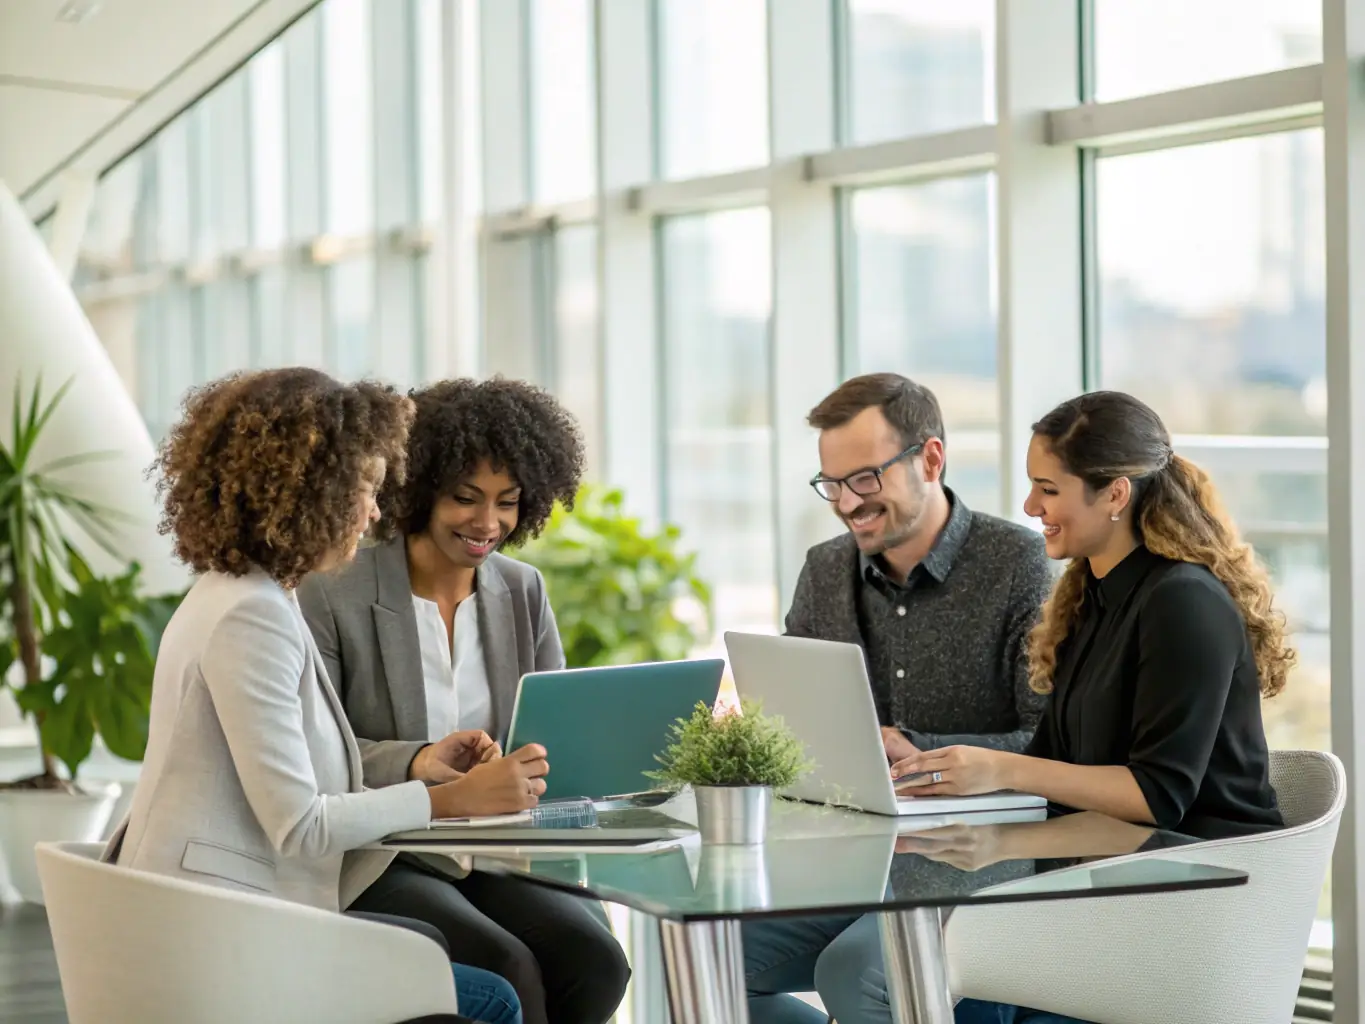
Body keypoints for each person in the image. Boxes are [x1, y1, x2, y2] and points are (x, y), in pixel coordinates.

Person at [107, 368, 552, 1024]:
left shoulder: (243, 592)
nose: (375, 512)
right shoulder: (252, 617)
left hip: (222, 911)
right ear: (308, 494)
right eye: (364, 490)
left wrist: (426, 769)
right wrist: (446, 799)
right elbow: (301, 827)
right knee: (493, 997)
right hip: (220, 933)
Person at [893, 390, 1290, 1024]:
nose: (1031, 507)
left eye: (1048, 489)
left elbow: (1156, 798)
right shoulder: (1089, 599)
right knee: (909, 977)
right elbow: (1058, 768)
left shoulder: (1183, 602)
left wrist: (1000, 778)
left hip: (1202, 905)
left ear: (1115, 494)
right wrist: (937, 797)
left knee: (923, 986)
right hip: (1119, 879)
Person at [297, 377, 629, 1024]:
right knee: (506, 965)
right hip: (386, 849)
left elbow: (552, 728)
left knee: (595, 960)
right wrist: (419, 760)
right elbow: (317, 754)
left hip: (498, 848)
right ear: (419, 489)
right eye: (465, 498)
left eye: (508, 502)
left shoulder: (522, 591)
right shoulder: (334, 592)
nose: (488, 523)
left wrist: (534, 762)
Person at [743, 373, 1054, 1024]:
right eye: (832, 484)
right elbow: (790, 722)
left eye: (864, 479)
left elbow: (1049, 740)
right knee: (713, 950)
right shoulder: (823, 570)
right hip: (851, 859)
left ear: (930, 459)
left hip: (977, 857)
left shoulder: (1017, 563)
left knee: (853, 973)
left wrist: (920, 753)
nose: (846, 503)